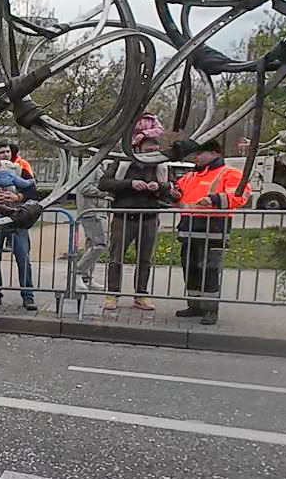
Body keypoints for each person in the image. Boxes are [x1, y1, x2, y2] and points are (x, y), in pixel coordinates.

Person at [94, 114, 175, 311]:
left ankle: (141, 295)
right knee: (116, 257)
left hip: (149, 217)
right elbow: (104, 183)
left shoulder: (161, 165)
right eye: (148, 148)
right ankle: (112, 294)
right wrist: (129, 184)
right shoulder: (122, 162)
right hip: (124, 216)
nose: (153, 151)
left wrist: (160, 186)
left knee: (145, 259)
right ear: (137, 147)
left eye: (155, 148)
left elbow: (173, 187)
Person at [173, 138, 248, 325]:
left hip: (214, 229)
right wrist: (171, 194)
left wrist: (214, 199)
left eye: (200, 153)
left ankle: (210, 310)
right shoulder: (191, 176)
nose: (196, 157)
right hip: (189, 228)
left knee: (210, 271)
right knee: (190, 269)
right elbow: (177, 192)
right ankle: (194, 305)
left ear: (214, 153)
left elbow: (240, 196)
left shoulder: (229, 173)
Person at [0, 143, 39, 311]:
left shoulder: (21, 172)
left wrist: (17, 196)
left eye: (8, 152)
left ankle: (28, 296)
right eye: (1, 152)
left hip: (17, 221)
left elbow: (33, 192)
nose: (6, 155)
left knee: (23, 259)